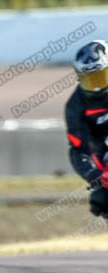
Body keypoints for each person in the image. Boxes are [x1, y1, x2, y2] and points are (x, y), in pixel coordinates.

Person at [66, 39, 108, 218]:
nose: (96, 87)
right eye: (90, 80)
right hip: (103, 155)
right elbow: (78, 150)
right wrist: (95, 176)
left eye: (101, 77)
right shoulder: (75, 107)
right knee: (101, 201)